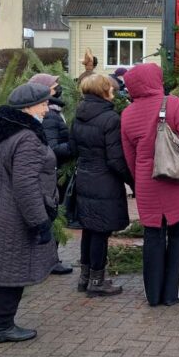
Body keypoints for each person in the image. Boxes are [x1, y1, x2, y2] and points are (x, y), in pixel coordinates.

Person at [0, 83, 59, 343]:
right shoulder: (26, 137)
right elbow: (25, 184)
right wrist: (39, 222)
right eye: (43, 104)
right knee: (13, 270)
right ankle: (2, 326)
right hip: (14, 215)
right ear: (27, 107)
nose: (47, 109)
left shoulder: (0, 130)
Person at [120, 63, 179, 306]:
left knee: (153, 235)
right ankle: (173, 293)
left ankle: (153, 295)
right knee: (178, 235)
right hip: (175, 180)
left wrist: (139, 181)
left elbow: (129, 157)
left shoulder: (127, 114)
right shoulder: (171, 104)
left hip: (147, 183)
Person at [70, 73, 133, 296]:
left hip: (85, 177)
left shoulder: (78, 115)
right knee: (100, 232)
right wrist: (133, 181)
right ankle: (97, 282)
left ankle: (85, 278)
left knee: (89, 229)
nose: (113, 90)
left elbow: (73, 149)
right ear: (103, 91)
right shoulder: (110, 119)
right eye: (110, 87)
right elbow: (115, 159)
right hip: (104, 182)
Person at [29, 73, 74, 275]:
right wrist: (74, 146)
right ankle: (49, 261)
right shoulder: (49, 116)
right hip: (52, 175)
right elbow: (51, 148)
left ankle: (48, 259)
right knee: (50, 215)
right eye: (54, 85)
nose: (58, 87)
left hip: (56, 173)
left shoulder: (54, 111)